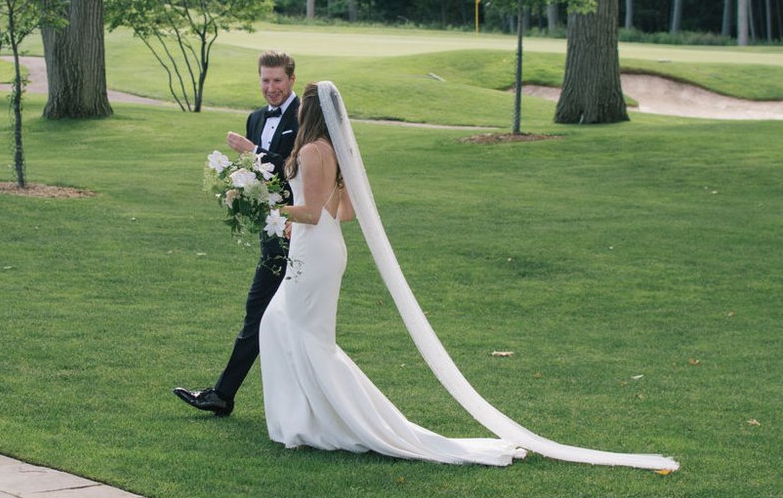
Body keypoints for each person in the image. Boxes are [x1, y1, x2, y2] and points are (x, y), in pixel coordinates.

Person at [259, 81, 679, 472]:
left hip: (315, 254)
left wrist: (267, 206)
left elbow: (313, 213)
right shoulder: (332, 151)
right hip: (321, 250)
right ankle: (309, 420)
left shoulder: (313, 151)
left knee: (296, 330)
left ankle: (318, 423)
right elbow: (341, 213)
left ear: (308, 111)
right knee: (292, 329)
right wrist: (299, 213)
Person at [173, 50, 300, 417]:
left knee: (268, 314)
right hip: (271, 229)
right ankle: (225, 395)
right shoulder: (255, 118)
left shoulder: (302, 117)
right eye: (265, 80)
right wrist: (238, 188)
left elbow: (297, 171)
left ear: (291, 79)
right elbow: (256, 176)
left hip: (299, 227)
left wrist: (254, 151)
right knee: (264, 313)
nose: (270, 88)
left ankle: (224, 394)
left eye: (277, 80)